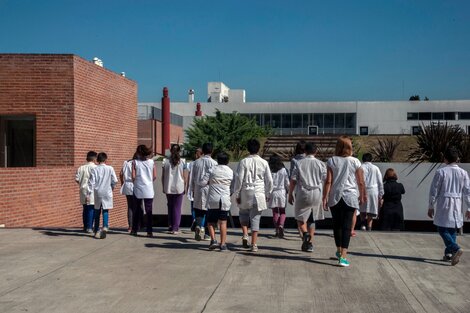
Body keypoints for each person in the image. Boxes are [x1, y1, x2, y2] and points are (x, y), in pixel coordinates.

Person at [322, 136, 366, 267]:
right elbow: (360, 181)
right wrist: (362, 195)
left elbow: (328, 181)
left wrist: (325, 197)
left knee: (337, 225)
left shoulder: (332, 161)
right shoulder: (355, 162)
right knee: (347, 226)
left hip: (335, 196)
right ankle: (344, 256)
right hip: (350, 196)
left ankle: (338, 250)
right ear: (349, 147)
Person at [428, 147, 470, 266]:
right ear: (457, 159)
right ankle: (449, 254)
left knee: (442, 228)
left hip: (444, 202)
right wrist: (469, 207)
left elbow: (434, 190)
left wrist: (431, 205)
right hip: (457, 202)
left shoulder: (441, 172)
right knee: (452, 227)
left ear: (445, 158)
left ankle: (454, 248)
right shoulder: (463, 173)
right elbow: (467, 191)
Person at [233, 138, 273, 252]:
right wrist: (268, 193)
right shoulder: (264, 162)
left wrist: (237, 193)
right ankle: (254, 244)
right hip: (259, 192)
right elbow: (269, 180)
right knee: (256, 218)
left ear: (248, 149)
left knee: (243, 213)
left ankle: (245, 234)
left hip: (246, 191)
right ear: (258, 149)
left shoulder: (243, 161)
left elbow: (239, 179)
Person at [289, 142, 326, 252]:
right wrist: (326, 195)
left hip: (303, 192)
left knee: (300, 216)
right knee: (312, 218)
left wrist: (290, 193)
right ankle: (309, 244)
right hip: (317, 193)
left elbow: (293, 180)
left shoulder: (299, 163)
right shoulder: (321, 164)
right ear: (316, 151)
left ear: (305, 151)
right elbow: (326, 179)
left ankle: (305, 233)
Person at [190, 143, 218, 241]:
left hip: (198, 188)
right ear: (212, 151)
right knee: (209, 212)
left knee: (199, 210)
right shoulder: (214, 163)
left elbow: (192, 178)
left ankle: (198, 225)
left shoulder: (196, 162)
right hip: (209, 189)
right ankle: (207, 234)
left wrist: (192, 190)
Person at [87, 152, 118, 239]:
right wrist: (112, 187)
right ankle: (105, 226)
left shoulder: (95, 169)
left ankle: (96, 230)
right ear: (105, 159)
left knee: (97, 211)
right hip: (107, 192)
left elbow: (91, 183)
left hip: (98, 192)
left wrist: (89, 193)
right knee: (105, 210)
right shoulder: (110, 168)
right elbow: (115, 180)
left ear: (97, 160)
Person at [207, 152, 233, 251]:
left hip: (213, 199)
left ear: (217, 160)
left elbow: (204, 181)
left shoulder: (212, 169)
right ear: (227, 161)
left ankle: (213, 240)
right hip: (225, 199)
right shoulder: (230, 171)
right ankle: (223, 244)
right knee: (223, 222)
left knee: (210, 222)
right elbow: (232, 185)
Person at [131, 145, 156, 237]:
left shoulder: (135, 162)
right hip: (149, 189)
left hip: (138, 188)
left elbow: (133, 176)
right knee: (149, 211)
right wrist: (148, 182)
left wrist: (136, 182)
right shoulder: (151, 162)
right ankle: (149, 231)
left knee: (136, 210)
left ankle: (134, 229)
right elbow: (154, 176)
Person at [162, 144, 187, 234]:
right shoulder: (183, 161)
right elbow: (184, 176)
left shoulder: (165, 161)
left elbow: (163, 176)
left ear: (170, 150)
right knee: (177, 208)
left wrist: (163, 186)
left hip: (168, 187)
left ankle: (170, 225)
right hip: (179, 187)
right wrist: (185, 186)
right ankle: (175, 228)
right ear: (179, 151)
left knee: (170, 206)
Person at [359, 153, 384, 231]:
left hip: (363, 190)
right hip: (373, 190)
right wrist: (381, 194)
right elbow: (380, 182)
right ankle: (369, 226)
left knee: (362, 208)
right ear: (371, 159)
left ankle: (363, 224)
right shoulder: (375, 168)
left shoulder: (360, 167)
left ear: (363, 159)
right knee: (372, 209)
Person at [75, 151, 97, 233]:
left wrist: (82, 184)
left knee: (85, 208)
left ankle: (85, 226)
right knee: (91, 208)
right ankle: (90, 227)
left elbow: (77, 179)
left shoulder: (81, 168)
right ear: (94, 159)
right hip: (92, 191)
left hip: (83, 190)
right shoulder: (95, 168)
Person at [269, 155, 289, 238]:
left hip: (273, 192)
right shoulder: (283, 170)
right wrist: (288, 190)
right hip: (282, 192)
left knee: (275, 212)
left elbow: (268, 183)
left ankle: (277, 230)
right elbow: (287, 182)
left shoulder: (270, 171)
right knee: (282, 211)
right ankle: (281, 225)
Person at [186, 148, 203, 231]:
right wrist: (188, 187)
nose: (196, 155)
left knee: (196, 207)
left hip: (197, 187)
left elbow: (190, 176)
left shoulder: (194, 163)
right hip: (195, 187)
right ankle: (197, 222)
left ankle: (198, 223)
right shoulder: (192, 163)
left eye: (197, 153)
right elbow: (189, 176)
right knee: (196, 206)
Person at [120, 154, 136, 232]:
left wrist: (122, 183)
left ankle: (130, 226)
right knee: (136, 206)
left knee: (130, 206)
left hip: (126, 184)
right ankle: (136, 225)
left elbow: (121, 174)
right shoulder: (136, 163)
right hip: (134, 184)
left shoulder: (126, 162)